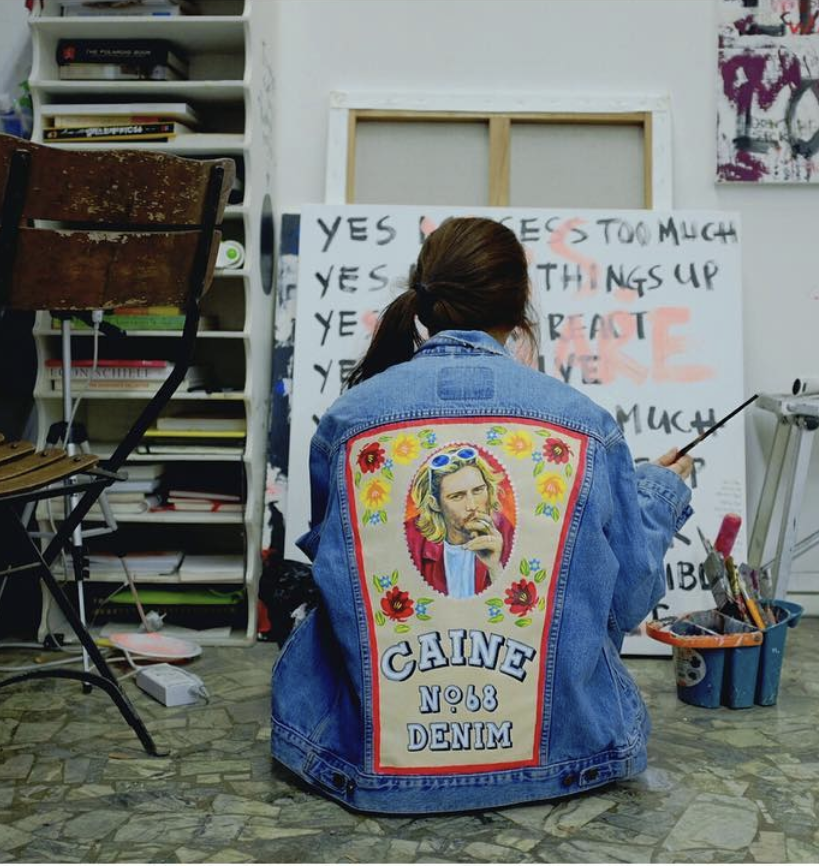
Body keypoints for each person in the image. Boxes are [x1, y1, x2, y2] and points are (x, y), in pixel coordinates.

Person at [272, 217, 693, 814]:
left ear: (424, 296)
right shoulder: (584, 425)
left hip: (363, 761)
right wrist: (658, 493)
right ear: (521, 306)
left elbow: (339, 586)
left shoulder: (350, 421)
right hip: (570, 760)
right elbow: (627, 601)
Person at [404, 443, 516, 597]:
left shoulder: (506, 532)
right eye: (457, 496)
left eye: (478, 491)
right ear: (434, 503)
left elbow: (516, 605)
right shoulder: (411, 539)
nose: (472, 506)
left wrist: (495, 568)